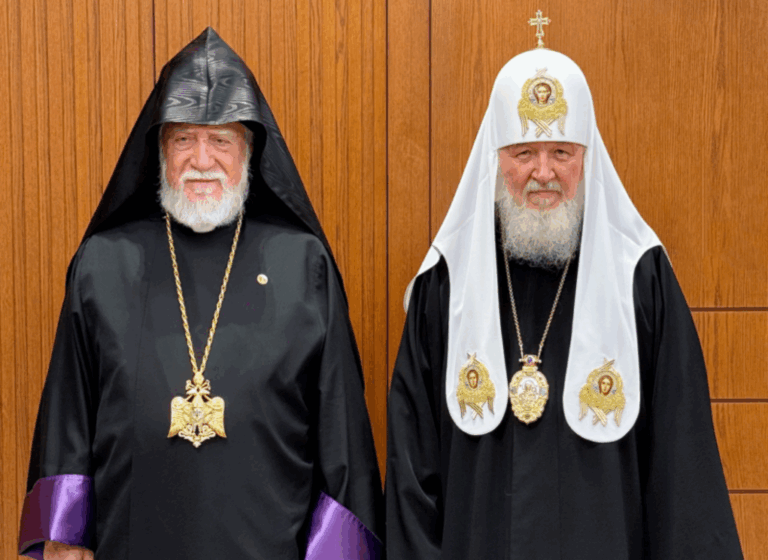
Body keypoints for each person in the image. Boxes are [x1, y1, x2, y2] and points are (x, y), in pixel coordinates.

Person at [19, 28, 383, 560]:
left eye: (221, 140)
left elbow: (341, 432)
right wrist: (64, 536)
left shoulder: (304, 265)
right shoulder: (104, 262)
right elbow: (68, 412)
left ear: (249, 151)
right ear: (160, 150)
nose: (202, 160)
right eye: (184, 139)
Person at [385, 26, 743, 559]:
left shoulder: (639, 276)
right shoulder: (448, 281)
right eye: (523, 152)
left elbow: (681, 462)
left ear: (586, 156)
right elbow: (413, 465)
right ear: (495, 157)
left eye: (561, 151)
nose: (543, 173)